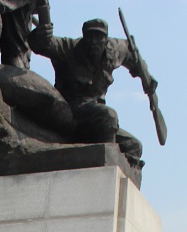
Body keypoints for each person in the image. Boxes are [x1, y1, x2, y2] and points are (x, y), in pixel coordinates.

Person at [29, 16, 148, 165]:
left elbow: (133, 56)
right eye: (90, 37)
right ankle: (106, 168)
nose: (94, 42)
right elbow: (43, 45)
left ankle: (122, 174)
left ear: (105, 39)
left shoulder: (114, 49)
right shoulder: (70, 48)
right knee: (108, 116)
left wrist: (146, 78)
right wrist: (41, 34)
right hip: (70, 111)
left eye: (99, 37)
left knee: (134, 146)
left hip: (95, 114)